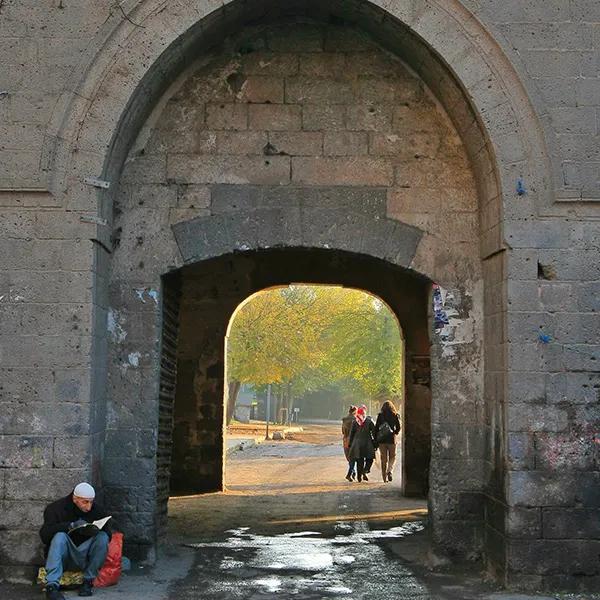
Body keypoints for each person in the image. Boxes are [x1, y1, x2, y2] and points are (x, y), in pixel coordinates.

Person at [39, 482, 112, 599]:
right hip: (64, 556)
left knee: (103, 537)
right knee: (59, 537)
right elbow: (44, 535)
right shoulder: (55, 509)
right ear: (74, 499)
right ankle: (52, 586)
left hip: (86, 556)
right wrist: (70, 526)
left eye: (91, 502)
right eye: (85, 502)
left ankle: (88, 582)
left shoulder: (97, 510)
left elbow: (108, 535)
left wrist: (93, 531)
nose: (89, 507)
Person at [374, 400, 401, 482]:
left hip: (382, 440)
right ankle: (389, 471)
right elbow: (399, 427)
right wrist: (394, 433)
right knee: (392, 457)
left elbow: (376, 428)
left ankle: (384, 478)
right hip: (392, 440)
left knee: (383, 459)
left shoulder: (380, 416)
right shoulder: (395, 415)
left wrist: (375, 439)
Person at [348, 406, 376, 482]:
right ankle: (365, 471)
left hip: (357, 443)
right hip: (368, 443)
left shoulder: (355, 421)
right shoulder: (369, 421)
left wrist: (350, 444)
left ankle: (359, 477)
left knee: (359, 460)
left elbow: (351, 434)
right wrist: (375, 443)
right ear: (365, 413)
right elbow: (374, 432)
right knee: (370, 459)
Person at [341, 405, 357, 481]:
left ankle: (353, 472)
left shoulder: (344, 420)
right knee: (353, 458)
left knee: (349, 458)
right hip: (353, 440)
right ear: (354, 412)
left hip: (345, 440)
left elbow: (342, 431)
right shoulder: (355, 420)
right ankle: (350, 473)